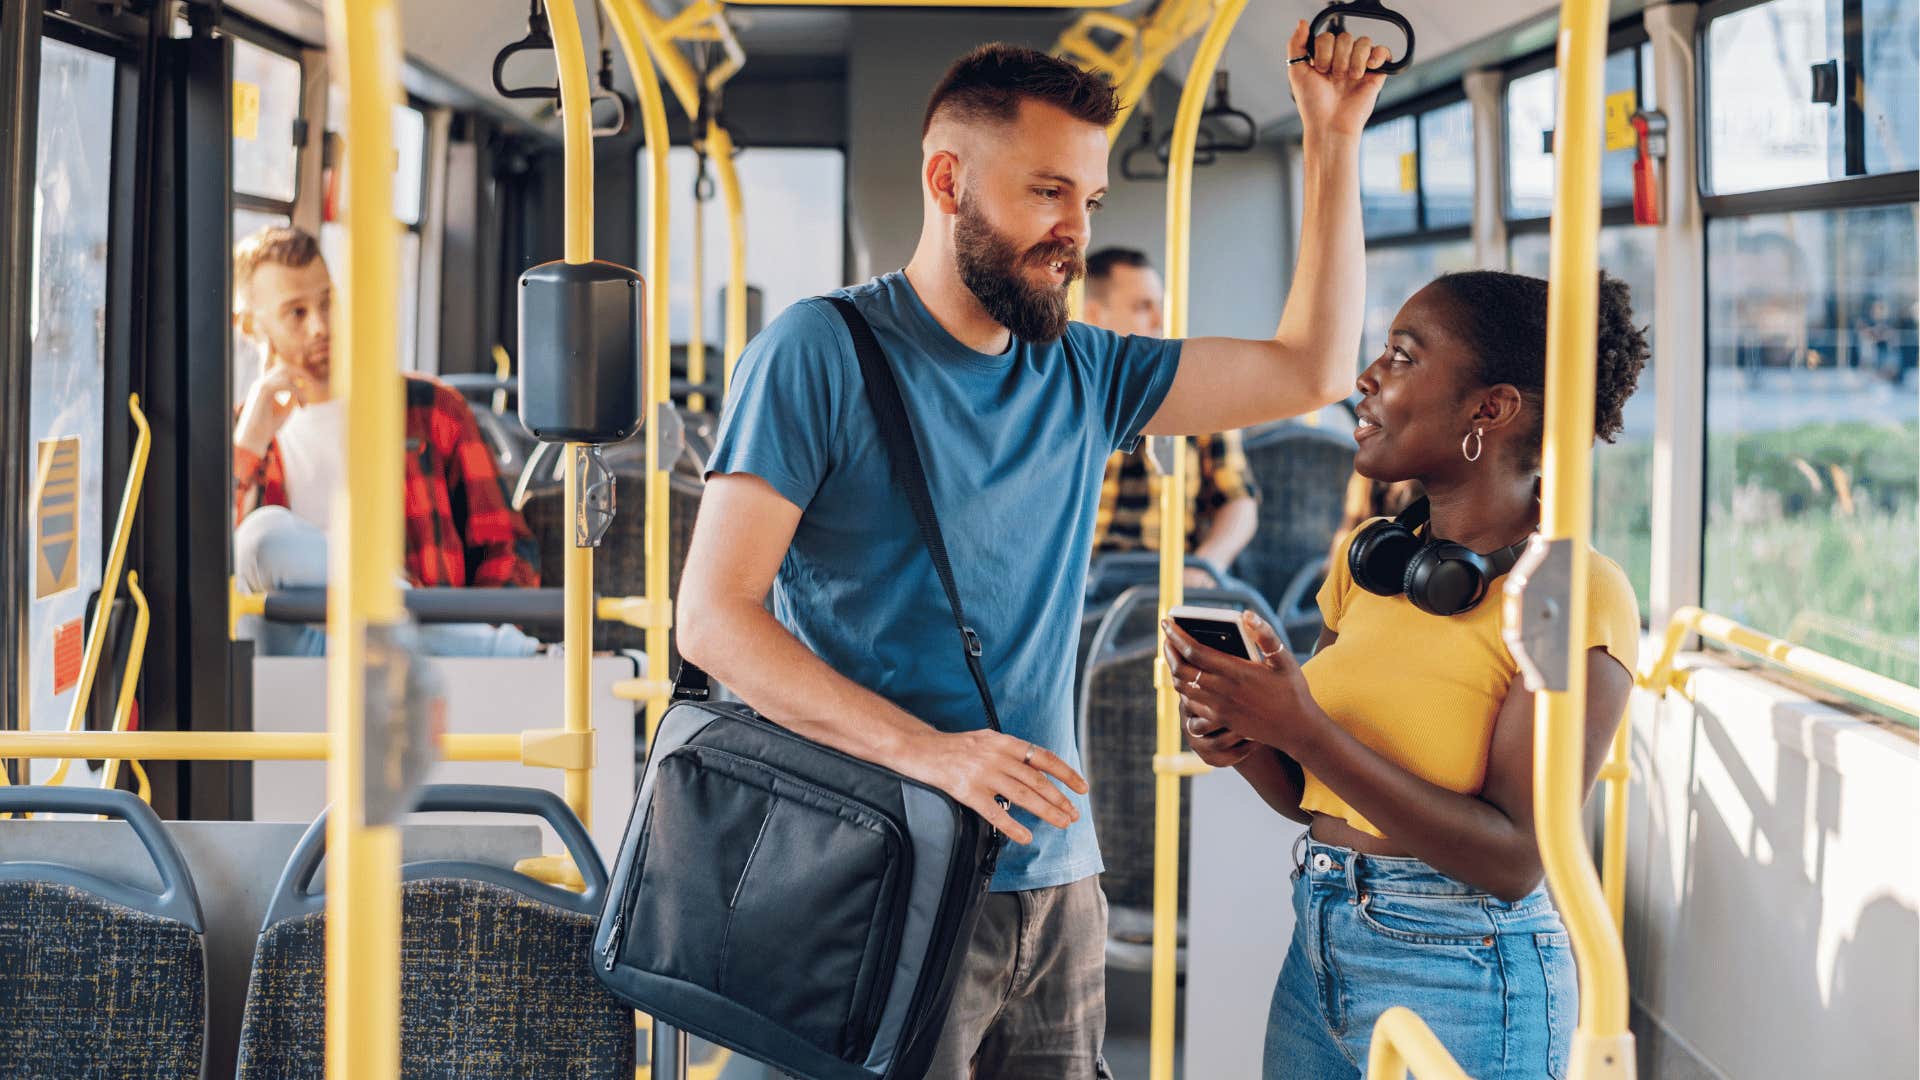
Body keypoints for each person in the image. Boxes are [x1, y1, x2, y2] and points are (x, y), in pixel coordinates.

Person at [679, 26, 1391, 1079]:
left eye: (1090, 202)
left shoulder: (1083, 370)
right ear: (947, 179)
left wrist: (1332, 144)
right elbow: (715, 618)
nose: (1074, 233)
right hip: (881, 870)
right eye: (1049, 193)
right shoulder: (817, 352)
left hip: (1056, 883)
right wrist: (933, 754)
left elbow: (1312, 365)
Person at [1163, 270, 1648, 1079]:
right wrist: (1244, 735)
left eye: (1400, 356)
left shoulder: (1574, 590)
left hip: (1467, 968)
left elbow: (1515, 857)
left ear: (1488, 410)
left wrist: (1299, 726)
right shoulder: (1372, 567)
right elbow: (1306, 794)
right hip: (1319, 942)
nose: (1365, 377)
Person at [229, 225, 542, 657]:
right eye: (296, 313)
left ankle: (486, 653)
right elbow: (211, 584)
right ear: (248, 326)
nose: (321, 326)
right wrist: (249, 444)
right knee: (259, 538)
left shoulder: (430, 409)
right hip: (297, 664)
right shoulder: (243, 438)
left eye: (327, 302)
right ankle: (512, 658)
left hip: (426, 655)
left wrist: (468, 640)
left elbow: (505, 547)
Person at [1083, 247, 1260, 590]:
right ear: (1094, 315)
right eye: (1142, 307)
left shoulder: (1199, 392)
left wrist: (1207, 565)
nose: (1159, 320)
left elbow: (1239, 502)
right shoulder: (1070, 391)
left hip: (1167, 576)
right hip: (1085, 577)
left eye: (1159, 306)